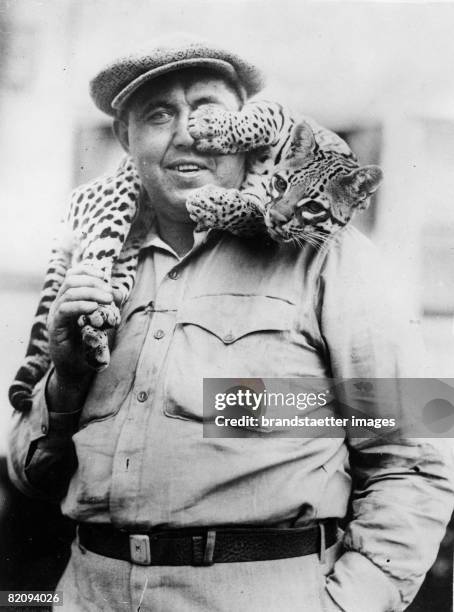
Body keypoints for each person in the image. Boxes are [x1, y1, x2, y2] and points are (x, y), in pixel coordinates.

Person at [7, 34, 454, 612]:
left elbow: (413, 455)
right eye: (159, 114)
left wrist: (350, 605)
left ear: (249, 127)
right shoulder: (90, 263)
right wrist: (65, 381)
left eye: (209, 110)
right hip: (90, 593)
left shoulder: (326, 256)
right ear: (126, 138)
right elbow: (28, 475)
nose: (189, 132)